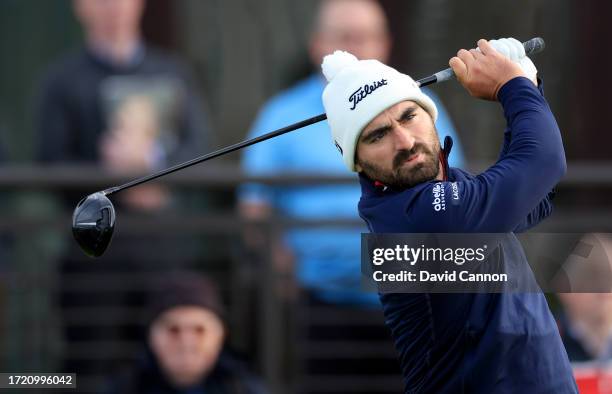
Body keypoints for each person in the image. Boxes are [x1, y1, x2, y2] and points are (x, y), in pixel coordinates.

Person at [320, 38, 578, 392]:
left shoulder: (443, 197)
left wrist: (526, 84)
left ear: (430, 115)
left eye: (409, 117)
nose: (405, 141)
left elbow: (537, 197)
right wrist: (512, 86)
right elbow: (542, 162)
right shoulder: (416, 219)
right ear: (357, 161)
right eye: (378, 134)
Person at [240, 0, 464, 306]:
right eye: (344, 37)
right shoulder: (281, 114)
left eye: (366, 37)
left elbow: (455, 190)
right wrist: (281, 272)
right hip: (313, 296)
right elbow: (254, 206)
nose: (357, 48)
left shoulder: (418, 103)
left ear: (385, 44)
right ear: (317, 45)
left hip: (413, 288)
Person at [36, 0, 212, 211]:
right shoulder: (62, 81)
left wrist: (152, 158)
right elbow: (50, 164)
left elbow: (201, 150)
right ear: (80, 6)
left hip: (167, 233)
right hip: (95, 232)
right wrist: (112, 174)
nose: (115, 7)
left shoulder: (174, 73)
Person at [108, 273, 267, 394]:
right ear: (151, 336)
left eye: (199, 330)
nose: (186, 342)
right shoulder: (122, 388)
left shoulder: (246, 389)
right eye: (173, 330)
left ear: (220, 336)